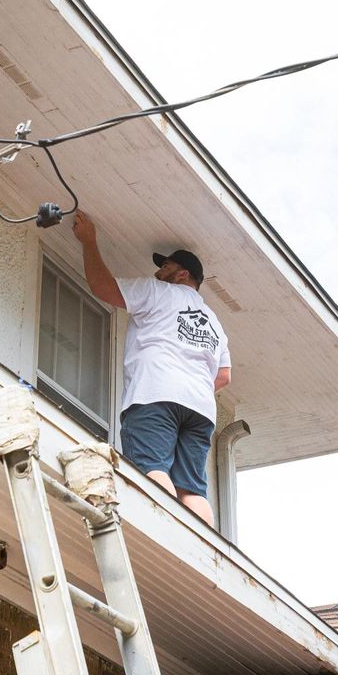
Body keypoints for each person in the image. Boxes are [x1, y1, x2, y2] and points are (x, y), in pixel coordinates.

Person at [72, 209, 231, 525]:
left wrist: (88, 242)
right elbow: (224, 376)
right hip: (200, 408)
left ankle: (162, 530)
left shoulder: (159, 292)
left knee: (152, 467)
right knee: (192, 490)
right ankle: (201, 552)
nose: (159, 272)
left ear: (182, 274)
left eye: (166, 266)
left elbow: (103, 288)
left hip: (156, 395)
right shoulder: (215, 323)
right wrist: (190, 385)